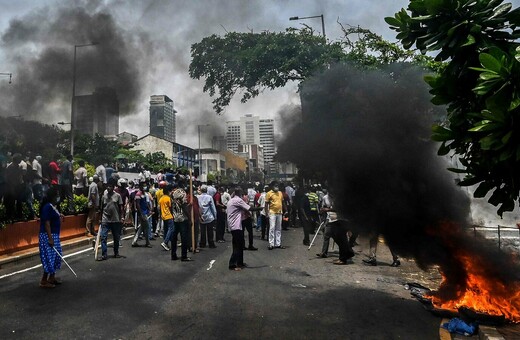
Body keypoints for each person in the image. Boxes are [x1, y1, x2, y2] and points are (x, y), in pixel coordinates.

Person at [227, 187, 262, 271]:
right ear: (240, 194)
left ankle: (240, 262)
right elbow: (249, 208)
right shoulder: (238, 200)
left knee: (239, 244)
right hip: (236, 225)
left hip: (233, 225)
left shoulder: (231, 200)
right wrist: (260, 208)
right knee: (238, 245)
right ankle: (232, 264)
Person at [38, 186, 63, 288]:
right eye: (56, 194)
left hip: (55, 234)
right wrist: (50, 238)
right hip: (48, 235)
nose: (58, 196)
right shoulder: (47, 207)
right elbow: (47, 223)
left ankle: (52, 277)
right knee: (49, 257)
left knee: (56, 256)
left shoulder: (52, 206)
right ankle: (44, 280)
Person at [98, 179, 124, 261]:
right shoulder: (103, 196)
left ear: (113, 187)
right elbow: (101, 208)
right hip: (105, 219)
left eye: (110, 186)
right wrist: (99, 219)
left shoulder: (117, 196)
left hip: (115, 220)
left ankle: (116, 253)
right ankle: (104, 254)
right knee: (103, 237)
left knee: (116, 237)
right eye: (107, 186)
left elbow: (121, 208)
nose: (108, 188)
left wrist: (122, 217)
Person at [170, 183, 192, 261]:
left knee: (174, 237)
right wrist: (189, 218)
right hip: (182, 218)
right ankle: (184, 256)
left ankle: (173, 254)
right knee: (184, 237)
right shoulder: (182, 193)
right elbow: (184, 206)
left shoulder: (172, 194)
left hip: (175, 218)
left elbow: (171, 206)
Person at [265, 181, 286, 250]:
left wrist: (286, 210)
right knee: (272, 228)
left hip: (279, 212)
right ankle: (271, 244)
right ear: (272, 186)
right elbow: (266, 204)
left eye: (277, 185)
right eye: (275, 185)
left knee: (278, 228)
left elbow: (282, 202)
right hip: (272, 212)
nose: (276, 187)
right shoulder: (269, 193)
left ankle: (278, 243)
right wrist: (266, 213)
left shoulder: (280, 193)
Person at [132, 182, 152, 248]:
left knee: (142, 228)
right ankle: (147, 242)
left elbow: (146, 203)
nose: (145, 187)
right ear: (140, 187)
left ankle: (134, 241)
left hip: (145, 212)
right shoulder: (138, 194)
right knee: (147, 227)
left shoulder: (145, 194)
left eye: (145, 185)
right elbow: (138, 205)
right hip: (142, 213)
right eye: (143, 186)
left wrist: (149, 210)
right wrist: (141, 214)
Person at [198, 185, 217, 249]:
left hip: (201, 216)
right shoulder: (209, 197)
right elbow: (213, 208)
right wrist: (215, 216)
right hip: (209, 216)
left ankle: (202, 243)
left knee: (202, 231)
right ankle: (211, 243)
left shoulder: (198, 197)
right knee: (210, 231)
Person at [159, 185, 174, 251]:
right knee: (171, 229)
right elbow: (170, 207)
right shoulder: (168, 198)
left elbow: (159, 208)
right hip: (168, 215)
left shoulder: (161, 198)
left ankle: (166, 242)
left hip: (163, 216)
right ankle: (165, 242)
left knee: (166, 229)